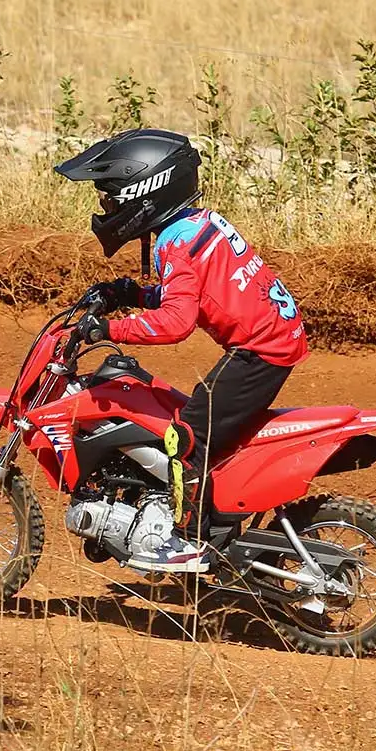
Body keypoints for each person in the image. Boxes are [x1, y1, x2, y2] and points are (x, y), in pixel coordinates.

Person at [56, 128, 308, 573]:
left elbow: (177, 323)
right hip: (268, 340)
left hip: (260, 351)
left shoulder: (174, 240)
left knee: (186, 438)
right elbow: (191, 294)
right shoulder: (194, 224)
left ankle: (183, 540)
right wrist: (131, 293)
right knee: (197, 419)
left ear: (144, 192)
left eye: (112, 201)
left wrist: (107, 329)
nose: (107, 211)